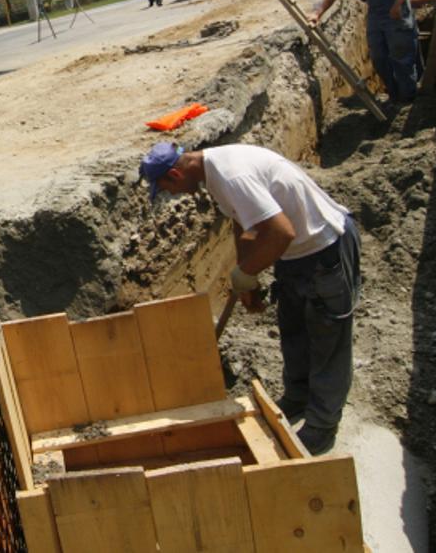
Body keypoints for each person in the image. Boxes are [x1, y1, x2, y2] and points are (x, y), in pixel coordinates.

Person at [140, 141, 362, 456]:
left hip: (324, 250)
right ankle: (297, 398)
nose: (172, 196)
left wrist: (246, 272)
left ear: (175, 174)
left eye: (167, 189)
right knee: (295, 333)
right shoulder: (212, 172)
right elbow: (243, 224)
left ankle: (322, 427)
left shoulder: (231, 176)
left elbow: (281, 232)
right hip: (293, 257)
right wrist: (248, 276)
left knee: (327, 343)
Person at [312, 0, 421, 105]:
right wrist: (317, 13)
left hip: (395, 12)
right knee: (379, 58)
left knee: (401, 56)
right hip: (376, 16)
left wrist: (398, 4)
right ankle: (394, 95)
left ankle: (409, 97)